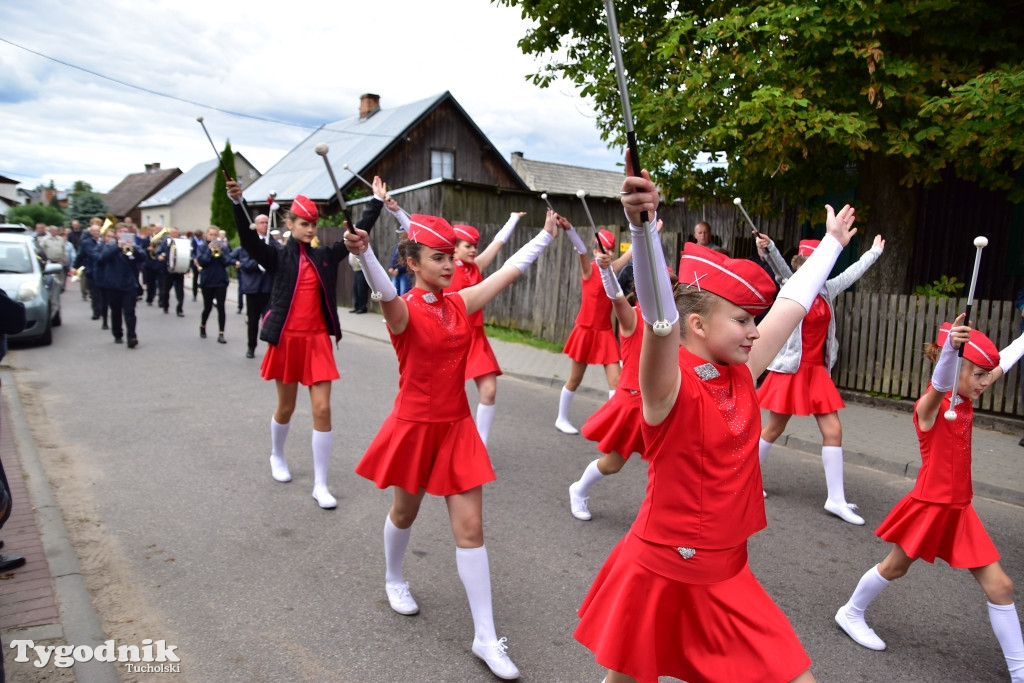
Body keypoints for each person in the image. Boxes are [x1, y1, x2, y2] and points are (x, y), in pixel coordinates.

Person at [574, 153, 858, 683]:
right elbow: (660, 322)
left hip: (727, 572)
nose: (756, 330)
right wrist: (642, 232)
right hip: (665, 567)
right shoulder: (668, 387)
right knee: (632, 676)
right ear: (699, 323)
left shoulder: (742, 370)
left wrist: (834, 245)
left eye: (756, 319)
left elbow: (794, 303)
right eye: (744, 319)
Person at [347, 208, 561, 681]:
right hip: (416, 426)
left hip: (457, 428)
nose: (448, 265)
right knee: (405, 512)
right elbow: (384, 292)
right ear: (414, 263)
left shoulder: (459, 303)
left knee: (472, 529)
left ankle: (485, 636)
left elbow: (508, 272)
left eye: (450, 257)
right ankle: (394, 577)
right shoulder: (402, 311)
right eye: (437, 258)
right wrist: (364, 257)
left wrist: (544, 237)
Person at [835, 317, 1024, 682]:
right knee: (895, 567)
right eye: (979, 375)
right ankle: (850, 612)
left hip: (960, 509)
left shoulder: (968, 393)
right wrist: (952, 350)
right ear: (955, 369)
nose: (987, 382)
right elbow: (940, 382)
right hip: (930, 505)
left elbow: (1007, 359)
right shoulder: (930, 406)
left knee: (1002, 586)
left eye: (988, 375)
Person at [226, 177, 384, 509]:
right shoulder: (276, 257)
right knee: (286, 407)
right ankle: (277, 456)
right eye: (303, 223)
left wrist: (376, 203)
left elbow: (354, 235)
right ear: (290, 224)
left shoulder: (325, 256)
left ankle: (320, 484)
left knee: (323, 409)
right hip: (287, 342)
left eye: (313, 223)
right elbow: (247, 241)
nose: (310, 229)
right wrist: (238, 204)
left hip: (317, 344)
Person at [754, 233, 885, 524]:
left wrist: (874, 253)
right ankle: (747, 480)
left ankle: (835, 499)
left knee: (834, 431)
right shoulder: (794, 284)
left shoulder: (827, 288)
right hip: (791, 370)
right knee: (773, 429)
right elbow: (780, 268)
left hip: (816, 372)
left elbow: (852, 274)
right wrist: (770, 248)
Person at [569, 250, 665, 521]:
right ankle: (579, 489)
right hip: (631, 403)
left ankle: (661, 516)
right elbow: (615, 296)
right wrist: (606, 271)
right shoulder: (632, 318)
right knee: (612, 464)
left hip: (661, 406)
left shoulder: (674, 326)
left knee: (668, 463)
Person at [442, 211, 525, 445]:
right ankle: (441, 441)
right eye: (468, 246)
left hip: (475, 338)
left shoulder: (476, 267)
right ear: (454, 248)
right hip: (448, 340)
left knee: (489, 391)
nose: (473, 250)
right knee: (445, 397)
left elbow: (498, 243)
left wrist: (512, 219)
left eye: (475, 246)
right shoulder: (445, 270)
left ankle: (480, 445)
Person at [554, 222, 632, 434]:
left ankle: (613, 427)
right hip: (585, 331)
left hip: (605, 332)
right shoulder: (588, 269)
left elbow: (634, 249)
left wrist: (650, 230)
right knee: (575, 379)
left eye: (610, 250)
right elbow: (580, 249)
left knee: (616, 381)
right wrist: (570, 229)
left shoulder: (613, 270)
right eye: (603, 250)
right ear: (596, 250)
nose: (607, 254)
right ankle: (561, 418)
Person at [96, 222, 144, 348]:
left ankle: (132, 337)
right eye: (120, 232)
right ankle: (117, 334)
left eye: (125, 231)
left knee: (130, 312)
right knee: (116, 311)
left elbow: (142, 258)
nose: (123, 234)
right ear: (116, 234)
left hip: (129, 285)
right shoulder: (110, 246)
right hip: (113, 285)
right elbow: (102, 258)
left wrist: (133, 249)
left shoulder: (132, 246)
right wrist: (118, 246)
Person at [237, 215, 275, 358]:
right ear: (256, 225)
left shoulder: (273, 243)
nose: (265, 225)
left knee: (269, 320)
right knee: (253, 320)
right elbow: (244, 264)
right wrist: (258, 264)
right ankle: (251, 347)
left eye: (266, 222)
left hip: (268, 288)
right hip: (253, 288)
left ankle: (271, 349)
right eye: (262, 223)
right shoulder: (249, 243)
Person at [196, 226, 231, 344]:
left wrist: (220, 253)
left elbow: (227, 262)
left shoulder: (223, 247)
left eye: (215, 235)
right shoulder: (202, 247)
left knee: (221, 307)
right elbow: (202, 262)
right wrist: (209, 251)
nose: (213, 237)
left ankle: (221, 333)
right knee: (208, 307)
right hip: (207, 281)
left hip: (220, 281)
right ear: (207, 235)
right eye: (211, 235)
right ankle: (202, 326)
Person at [154, 227, 186, 317]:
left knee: (180, 291)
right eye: (174, 233)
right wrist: (159, 257)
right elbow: (158, 253)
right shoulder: (165, 242)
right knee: (165, 290)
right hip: (167, 270)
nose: (176, 234)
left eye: (177, 233)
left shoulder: (182, 242)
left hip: (179, 270)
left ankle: (180, 309)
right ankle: (165, 306)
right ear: (170, 234)